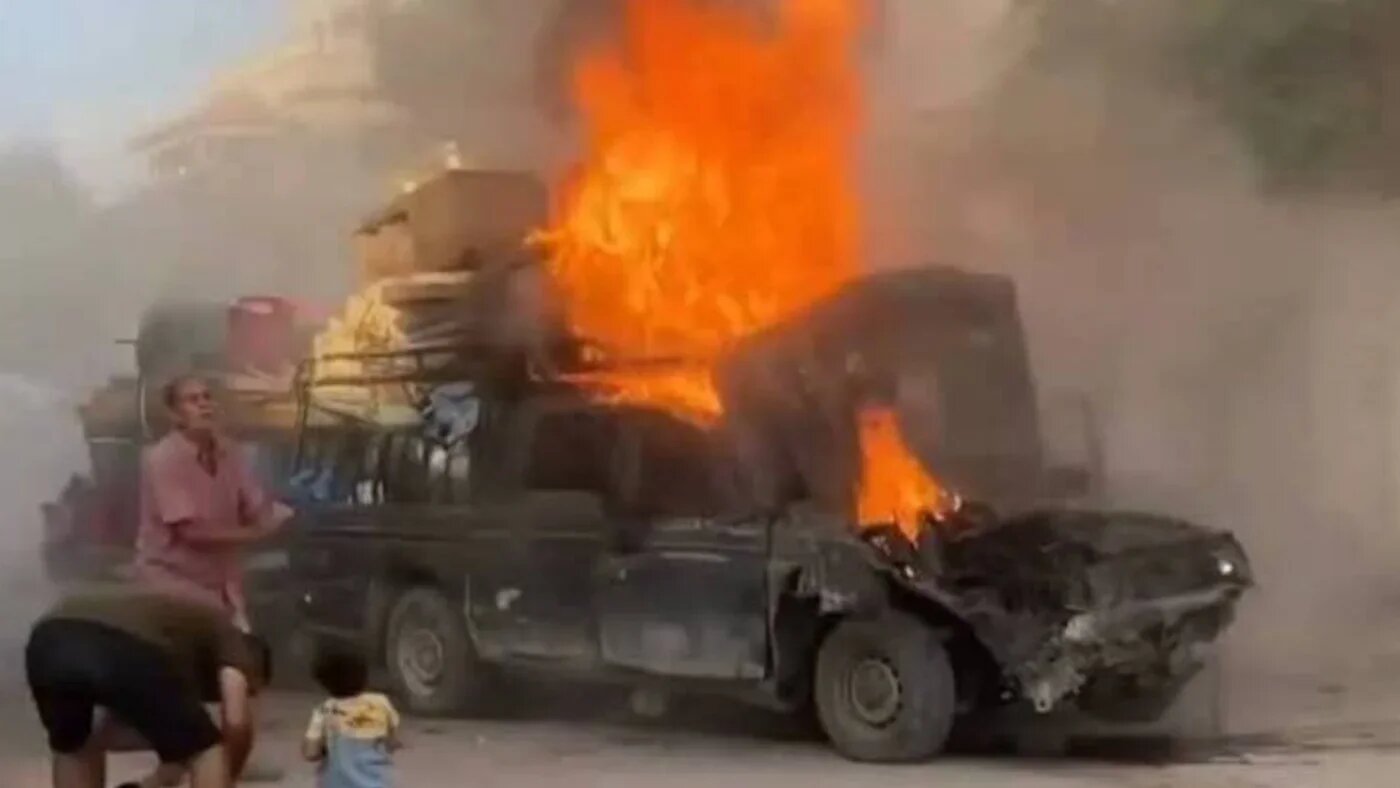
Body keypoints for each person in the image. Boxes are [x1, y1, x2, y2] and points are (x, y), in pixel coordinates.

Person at [24, 585, 271, 788]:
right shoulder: (234, 640)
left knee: (76, 745)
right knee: (207, 749)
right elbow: (237, 723)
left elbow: (127, 726)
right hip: (121, 642)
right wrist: (228, 774)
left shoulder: (179, 642)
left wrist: (156, 780)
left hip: (49, 640)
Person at [135, 372, 293, 628]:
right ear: (175, 415)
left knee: (242, 653)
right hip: (172, 586)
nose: (204, 404)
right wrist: (256, 534)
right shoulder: (163, 459)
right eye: (192, 400)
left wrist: (281, 517)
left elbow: (256, 505)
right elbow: (192, 533)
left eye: (207, 397)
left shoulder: (230, 452)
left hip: (222, 587)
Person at [303, 647, 402, 788]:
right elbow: (392, 741)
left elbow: (310, 752)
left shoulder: (325, 710)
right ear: (365, 676)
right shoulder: (381, 703)